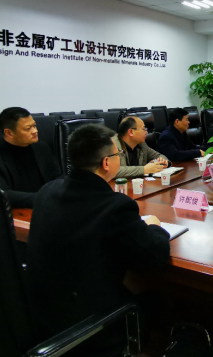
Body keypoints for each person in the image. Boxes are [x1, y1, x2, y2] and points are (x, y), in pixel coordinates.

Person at [27, 124, 170, 355]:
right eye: (118, 154)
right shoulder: (114, 207)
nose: (119, 157)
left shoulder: (47, 191)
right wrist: (154, 227)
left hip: (42, 314)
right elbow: (155, 257)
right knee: (160, 299)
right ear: (106, 163)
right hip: (92, 325)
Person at [0, 107, 61, 209]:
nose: (35, 131)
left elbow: (57, 177)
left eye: (34, 126)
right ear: (9, 133)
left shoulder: (42, 148)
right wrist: (45, 198)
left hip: (48, 207)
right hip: (18, 212)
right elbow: (3, 195)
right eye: (28, 128)